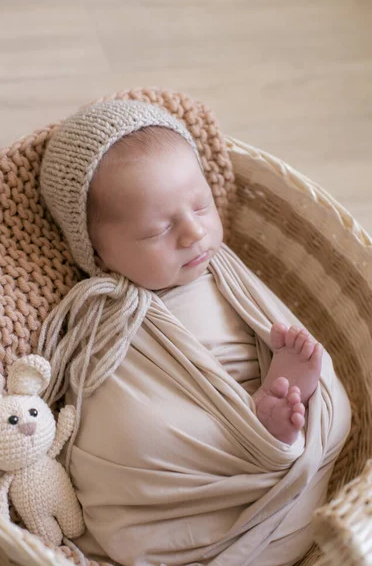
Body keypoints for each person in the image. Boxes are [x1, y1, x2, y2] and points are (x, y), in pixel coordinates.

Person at [38, 99, 351, 566]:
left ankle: (272, 422)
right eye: (156, 230)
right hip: (181, 461)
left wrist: (275, 371)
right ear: (98, 253)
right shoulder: (100, 315)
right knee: (134, 431)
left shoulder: (228, 271)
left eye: (201, 206)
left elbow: (265, 324)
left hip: (251, 407)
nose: (193, 234)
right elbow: (89, 404)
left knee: (326, 384)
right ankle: (266, 431)